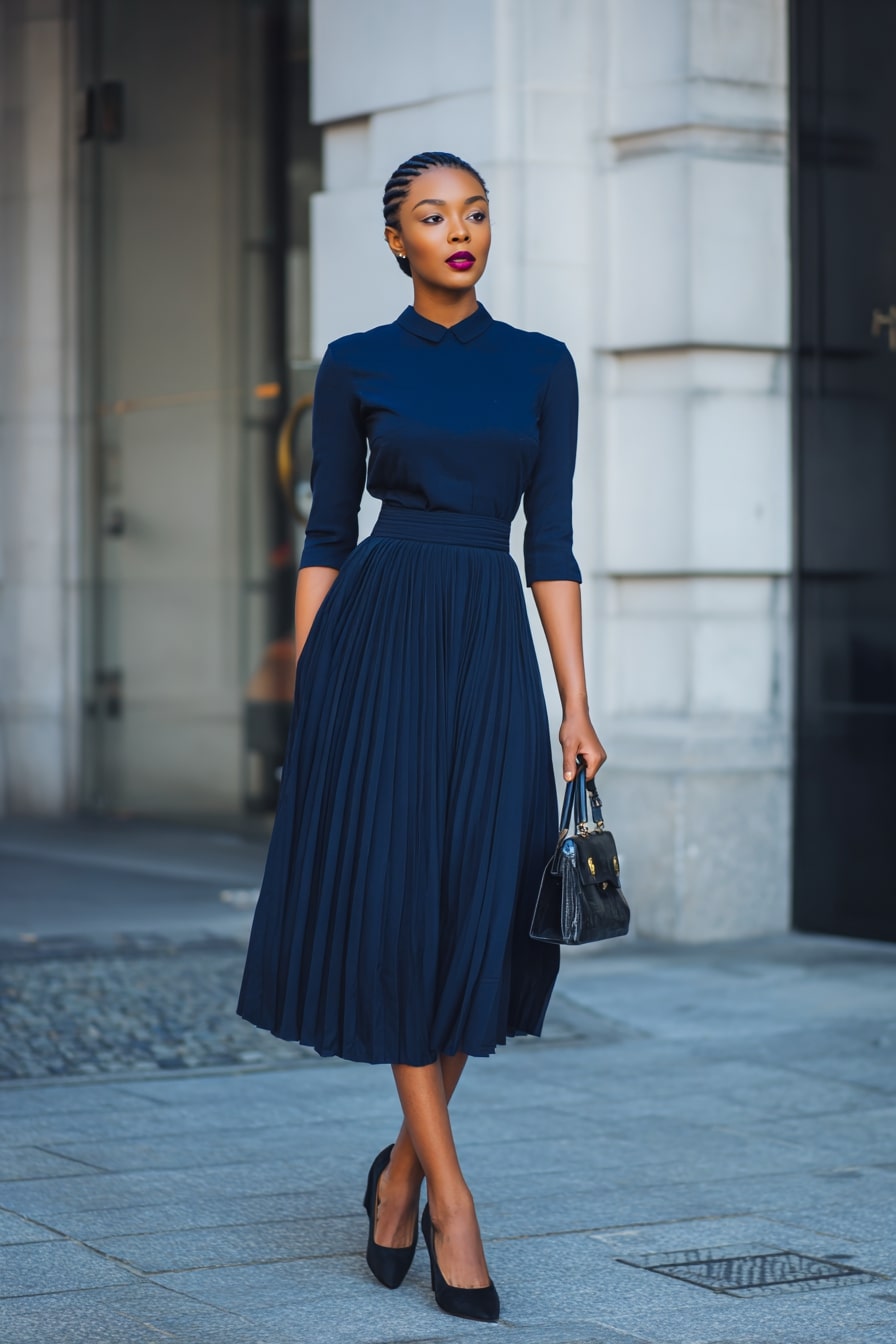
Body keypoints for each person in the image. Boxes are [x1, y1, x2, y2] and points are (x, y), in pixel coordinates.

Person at [237, 150, 606, 1324]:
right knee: (402, 911)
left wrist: (577, 704)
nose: (460, 231)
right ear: (395, 241)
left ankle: (395, 1170)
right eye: (432, 217)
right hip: (375, 647)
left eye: (476, 212)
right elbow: (325, 530)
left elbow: (547, 541)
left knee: (485, 906)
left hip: (488, 642)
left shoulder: (541, 368)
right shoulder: (354, 365)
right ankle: (449, 1200)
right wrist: (312, 685)